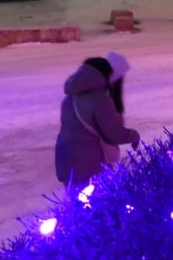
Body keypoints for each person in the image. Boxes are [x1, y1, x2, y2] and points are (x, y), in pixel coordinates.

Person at [55, 52, 140, 190]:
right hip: (89, 161)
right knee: (95, 203)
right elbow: (114, 133)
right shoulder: (100, 100)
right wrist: (134, 135)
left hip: (66, 157)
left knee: (75, 204)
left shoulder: (70, 97)